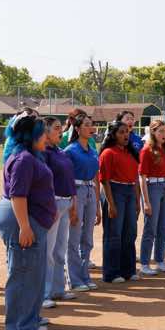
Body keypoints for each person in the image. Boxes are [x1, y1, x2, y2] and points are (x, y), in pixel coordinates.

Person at [0, 115, 56, 330]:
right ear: (31, 136)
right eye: (42, 133)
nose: (46, 137)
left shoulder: (32, 156)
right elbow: (18, 195)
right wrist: (24, 226)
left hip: (31, 218)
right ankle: (19, 325)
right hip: (23, 218)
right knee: (23, 271)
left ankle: (30, 317)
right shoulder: (23, 159)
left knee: (34, 272)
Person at [41, 117, 78, 307]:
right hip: (53, 202)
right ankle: (44, 293)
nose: (60, 131)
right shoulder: (44, 153)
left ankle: (58, 288)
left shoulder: (60, 151)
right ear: (45, 132)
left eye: (60, 128)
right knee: (48, 250)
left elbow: (70, 179)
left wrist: (73, 202)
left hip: (66, 201)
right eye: (56, 128)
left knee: (60, 249)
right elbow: (44, 182)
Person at [99, 120, 141, 283]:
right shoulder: (108, 153)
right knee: (114, 234)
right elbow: (105, 180)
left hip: (130, 192)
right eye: (121, 132)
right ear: (113, 135)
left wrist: (137, 200)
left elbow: (135, 179)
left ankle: (128, 270)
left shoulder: (131, 153)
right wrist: (110, 203)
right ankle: (111, 273)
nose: (125, 135)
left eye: (127, 132)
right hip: (115, 191)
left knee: (130, 233)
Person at [63, 112, 101, 291]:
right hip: (76, 191)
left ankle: (85, 275)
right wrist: (72, 203)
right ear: (77, 129)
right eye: (86, 125)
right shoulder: (70, 151)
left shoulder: (92, 151)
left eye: (91, 124)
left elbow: (96, 177)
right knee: (74, 236)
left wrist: (98, 205)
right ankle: (74, 278)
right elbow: (66, 178)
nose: (90, 128)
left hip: (90, 191)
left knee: (87, 238)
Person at [138, 119, 165, 275]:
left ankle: (160, 260)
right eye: (160, 131)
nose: (164, 134)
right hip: (152, 187)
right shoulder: (146, 150)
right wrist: (146, 202)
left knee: (163, 226)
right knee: (151, 227)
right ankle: (145, 263)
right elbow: (142, 177)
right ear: (152, 132)